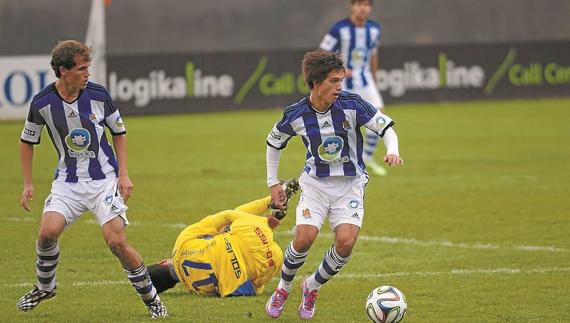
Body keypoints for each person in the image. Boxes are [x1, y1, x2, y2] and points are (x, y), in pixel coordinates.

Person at [17, 40, 167, 319]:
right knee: (46, 233)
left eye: (88, 67)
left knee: (116, 241)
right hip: (67, 181)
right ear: (64, 71)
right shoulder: (42, 103)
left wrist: (123, 173)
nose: (88, 73)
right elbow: (27, 140)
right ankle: (45, 287)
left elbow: (118, 133)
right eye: (82, 68)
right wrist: (28, 183)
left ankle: (152, 300)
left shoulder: (98, 95)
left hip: (104, 180)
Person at [264, 49, 404, 320]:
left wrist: (393, 149)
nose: (340, 87)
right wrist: (273, 183)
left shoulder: (352, 104)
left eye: (341, 80)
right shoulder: (295, 114)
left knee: (345, 243)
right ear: (316, 83)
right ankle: (283, 288)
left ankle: (312, 286)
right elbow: (273, 143)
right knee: (304, 238)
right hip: (315, 185)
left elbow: (386, 127)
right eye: (334, 81)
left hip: (350, 185)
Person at [147, 179, 300, 297]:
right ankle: (272, 203)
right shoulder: (181, 243)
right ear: (162, 262)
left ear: (171, 285)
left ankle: (266, 227)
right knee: (226, 225)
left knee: (225, 243)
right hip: (252, 233)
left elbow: (248, 288)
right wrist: (264, 220)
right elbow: (227, 215)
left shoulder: (197, 290)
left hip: (270, 262)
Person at [319, 0, 388, 176]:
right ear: (352, 6)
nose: (362, 8)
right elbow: (323, 52)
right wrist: (337, 69)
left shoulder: (374, 29)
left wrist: (373, 78)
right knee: (341, 122)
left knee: (379, 115)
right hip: (344, 83)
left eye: (366, 4)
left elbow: (373, 55)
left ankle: (367, 158)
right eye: (359, 4)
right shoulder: (339, 28)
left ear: (370, 8)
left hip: (365, 82)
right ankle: (336, 160)